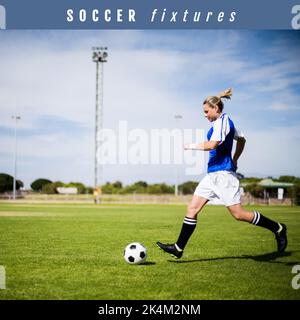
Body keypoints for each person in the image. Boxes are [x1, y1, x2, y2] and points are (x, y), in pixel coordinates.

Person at [157, 88, 287, 259]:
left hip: (224, 175)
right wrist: (236, 158)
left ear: (215, 109)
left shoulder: (223, 123)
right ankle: (178, 248)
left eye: (206, 111)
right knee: (192, 209)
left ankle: (278, 228)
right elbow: (241, 139)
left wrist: (191, 146)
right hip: (211, 175)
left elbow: (212, 145)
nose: (204, 115)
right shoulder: (220, 122)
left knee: (238, 214)